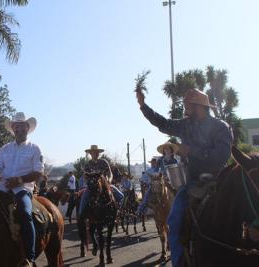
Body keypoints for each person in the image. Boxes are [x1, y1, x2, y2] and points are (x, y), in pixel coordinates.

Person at [136, 88, 233, 267]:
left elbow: (221, 156)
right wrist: (143, 106)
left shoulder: (221, 127)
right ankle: (179, 262)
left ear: (199, 106)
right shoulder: (185, 124)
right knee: (174, 220)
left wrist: (189, 150)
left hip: (221, 181)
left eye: (187, 104)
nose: (184, 107)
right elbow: (163, 123)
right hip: (193, 184)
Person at [0, 112, 43, 267]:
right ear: (13, 129)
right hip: (2, 188)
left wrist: (19, 180)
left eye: (22, 126)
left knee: (25, 213)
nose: (19, 129)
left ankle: (30, 258)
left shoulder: (34, 148)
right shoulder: (5, 149)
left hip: (22, 189)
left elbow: (38, 172)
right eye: (16, 126)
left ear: (27, 128)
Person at [78, 145, 124, 217]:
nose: (95, 154)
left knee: (121, 196)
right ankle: (81, 216)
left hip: (105, 185)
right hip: (92, 187)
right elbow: (85, 177)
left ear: (98, 153)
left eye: (96, 152)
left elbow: (110, 173)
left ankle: (117, 212)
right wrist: (86, 178)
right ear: (90, 153)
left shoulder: (104, 162)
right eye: (93, 152)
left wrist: (108, 181)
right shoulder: (88, 164)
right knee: (83, 198)